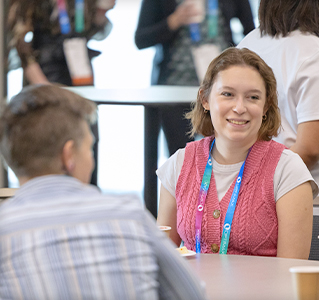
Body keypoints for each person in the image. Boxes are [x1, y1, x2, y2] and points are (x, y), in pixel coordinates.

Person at [0, 85, 206, 300]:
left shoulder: (4, 229)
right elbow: (191, 295)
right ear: (68, 155)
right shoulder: (129, 214)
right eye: (89, 148)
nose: (91, 159)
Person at [156, 47, 317, 258]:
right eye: (228, 94)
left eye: (253, 97)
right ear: (205, 99)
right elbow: (163, 258)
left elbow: (290, 273)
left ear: (266, 106)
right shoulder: (180, 163)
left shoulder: (288, 169)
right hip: (195, 290)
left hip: (261, 291)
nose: (240, 108)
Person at [237, 0, 319, 197]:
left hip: (256, 194)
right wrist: (261, 188)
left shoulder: (249, 43)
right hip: (317, 205)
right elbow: (310, 149)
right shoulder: (317, 55)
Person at [7, 0, 115, 186]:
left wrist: (102, 10)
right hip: (45, 76)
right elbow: (19, 40)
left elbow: (92, 30)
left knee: (85, 138)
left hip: (79, 74)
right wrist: (43, 85)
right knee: (47, 143)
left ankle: (84, 200)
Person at [135, 0, 255, 156]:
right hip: (174, 89)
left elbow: (251, 32)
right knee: (181, 158)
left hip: (221, 88)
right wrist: (174, 21)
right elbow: (141, 39)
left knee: (226, 155)